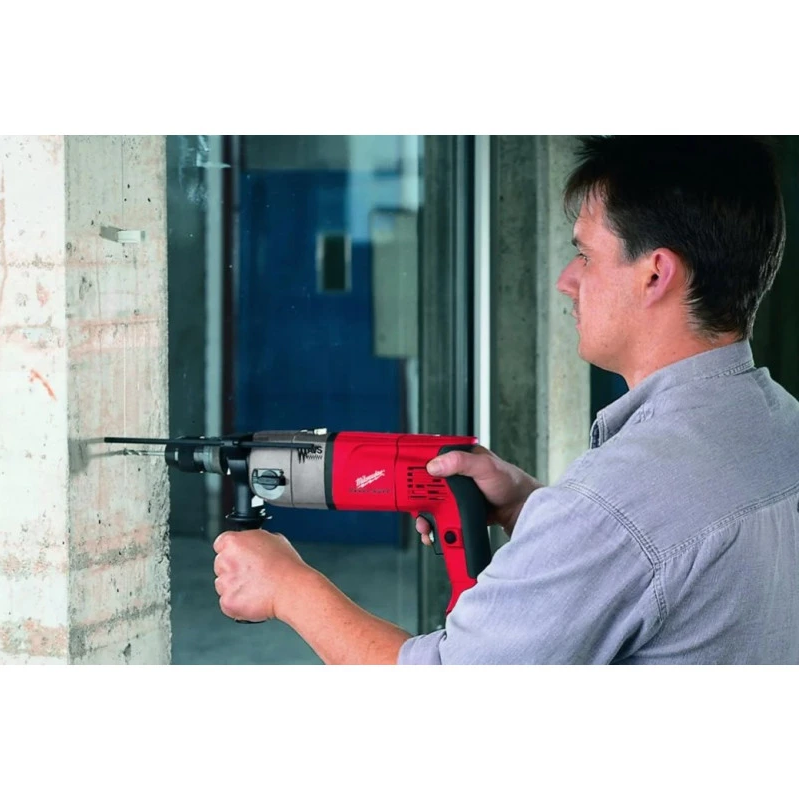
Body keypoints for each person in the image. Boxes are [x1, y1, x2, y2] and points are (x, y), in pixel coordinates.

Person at [212, 136, 799, 664]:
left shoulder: (613, 505)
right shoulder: (783, 425)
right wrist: (534, 509)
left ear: (655, 274)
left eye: (586, 255)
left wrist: (287, 586)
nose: (566, 279)